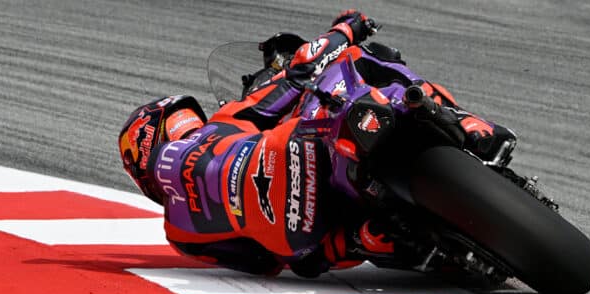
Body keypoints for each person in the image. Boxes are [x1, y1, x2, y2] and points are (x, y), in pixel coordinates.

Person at [118, 10, 516, 278]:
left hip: (301, 236)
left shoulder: (181, 237)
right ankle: (465, 123)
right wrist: (347, 27)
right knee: (366, 59)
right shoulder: (222, 125)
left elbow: (263, 265)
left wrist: (332, 241)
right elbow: (300, 71)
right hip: (297, 150)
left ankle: (386, 240)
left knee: (333, 251)